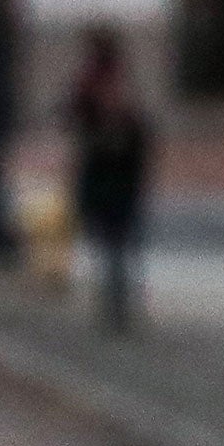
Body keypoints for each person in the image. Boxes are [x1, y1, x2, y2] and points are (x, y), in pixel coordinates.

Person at [68, 29, 156, 334]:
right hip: (113, 178)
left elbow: (137, 138)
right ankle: (117, 304)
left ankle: (118, 305)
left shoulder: (105, 88)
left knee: (116, 245)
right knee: (116, 245)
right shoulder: (98, 88)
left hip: (114, 178)